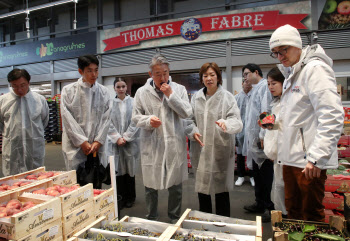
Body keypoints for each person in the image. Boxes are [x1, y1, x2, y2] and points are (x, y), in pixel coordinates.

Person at [269, 24, 344, 221]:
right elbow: (296, 116)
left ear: (296, 45)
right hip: (290, 159)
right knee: (293, 213)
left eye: (283, 50)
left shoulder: (315, 69)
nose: (280, 57)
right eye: (275, 53)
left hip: (309, 162)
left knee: (310, 216)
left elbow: (332, 115)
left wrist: (317, 156)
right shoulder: (292, 74)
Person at [132, 54, 192, 223]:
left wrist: (171, 95)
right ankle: (151, 217)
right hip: (152, 144)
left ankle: (174, 217)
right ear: (150, 74)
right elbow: (135, 117)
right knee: (151, 185)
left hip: (174, 144)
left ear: (169, 71)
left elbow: (186, 112)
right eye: (158, 74)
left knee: (175, 185)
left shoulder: (178, 89)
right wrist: (148, 121)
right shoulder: (141, 92)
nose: (163, 77)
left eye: (165, 73)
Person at [186, 62, 242, 217]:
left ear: (218, 77)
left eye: (212, 75)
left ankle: (223, 225)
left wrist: (226, 124)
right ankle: (206, 223)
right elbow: (189, 120)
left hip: (220, 149)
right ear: (201, 78)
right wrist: (193, 131)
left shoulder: (227, 98)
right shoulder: (196, 97)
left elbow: (237, 121)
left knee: (221, 190)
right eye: (205, 75)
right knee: (203, 189)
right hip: (200, 147)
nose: (209, 78)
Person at [61, 55, 112, 187]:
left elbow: (107, 118)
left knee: (96, 184)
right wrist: (82, 142)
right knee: (77, 185)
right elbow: (67, 119)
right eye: (89, 70)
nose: (94, 74)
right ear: (80, 71)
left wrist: (98, 140)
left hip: (96, 147)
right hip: (75, 147)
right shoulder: (68, 91)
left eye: (96, 70)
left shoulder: (104, 92)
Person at [0, 69, 49, 176]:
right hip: (12, 148)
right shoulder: (3, 101)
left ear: (28, 83)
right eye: (15, 86)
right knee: (12, 182)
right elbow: (1, 125)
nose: (20, 89)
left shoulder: (39, 100)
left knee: (35, 179)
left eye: (23, 85)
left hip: (34, 147)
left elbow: (44, 121)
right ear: (10, 85)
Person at [242, 63, 274, 221]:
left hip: (262, 140)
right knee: (257, 173)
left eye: (247, 74)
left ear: (256, 72)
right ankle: (259, 202)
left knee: (266, 175)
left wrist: (263, 135)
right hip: (254, 141)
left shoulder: (264, 87)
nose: (245, 78)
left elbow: (266, 111)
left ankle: (269, 206)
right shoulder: (253, 90)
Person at [106, 77, 140, 209]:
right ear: (114, 88)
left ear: (127, 87)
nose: (121, 89)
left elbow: (136, 121)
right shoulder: (109, 103)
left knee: (130, 171)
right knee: (117, 171)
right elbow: (107, 122)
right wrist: (117, 137)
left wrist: (126, 137)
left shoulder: (133, 102)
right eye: (118, 87)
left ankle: (130, 197)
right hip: (115, 143)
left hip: (130, 142)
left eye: (123, 86)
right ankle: (120, 196)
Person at [262, 67, 287, 217]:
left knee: (283, 189)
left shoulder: (288, 102)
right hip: (278, 155)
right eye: (269, 84)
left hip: (288, 155)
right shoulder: (276, 102)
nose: (271, 87)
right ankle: (279, 217)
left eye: (274, 83)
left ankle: (283, 217)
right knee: (278, 187)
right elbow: (276, 129)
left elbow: (285, 129)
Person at [235, 78, 254, 187]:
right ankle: (241, 176)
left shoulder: (255, 96)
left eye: (250, 82)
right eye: (246, 82)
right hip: (240, 131)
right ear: (242, 84)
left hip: (251, 131)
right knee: (240, 154)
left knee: (252, 154)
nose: (248, 84)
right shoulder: (236, 98)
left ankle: (252, 176)